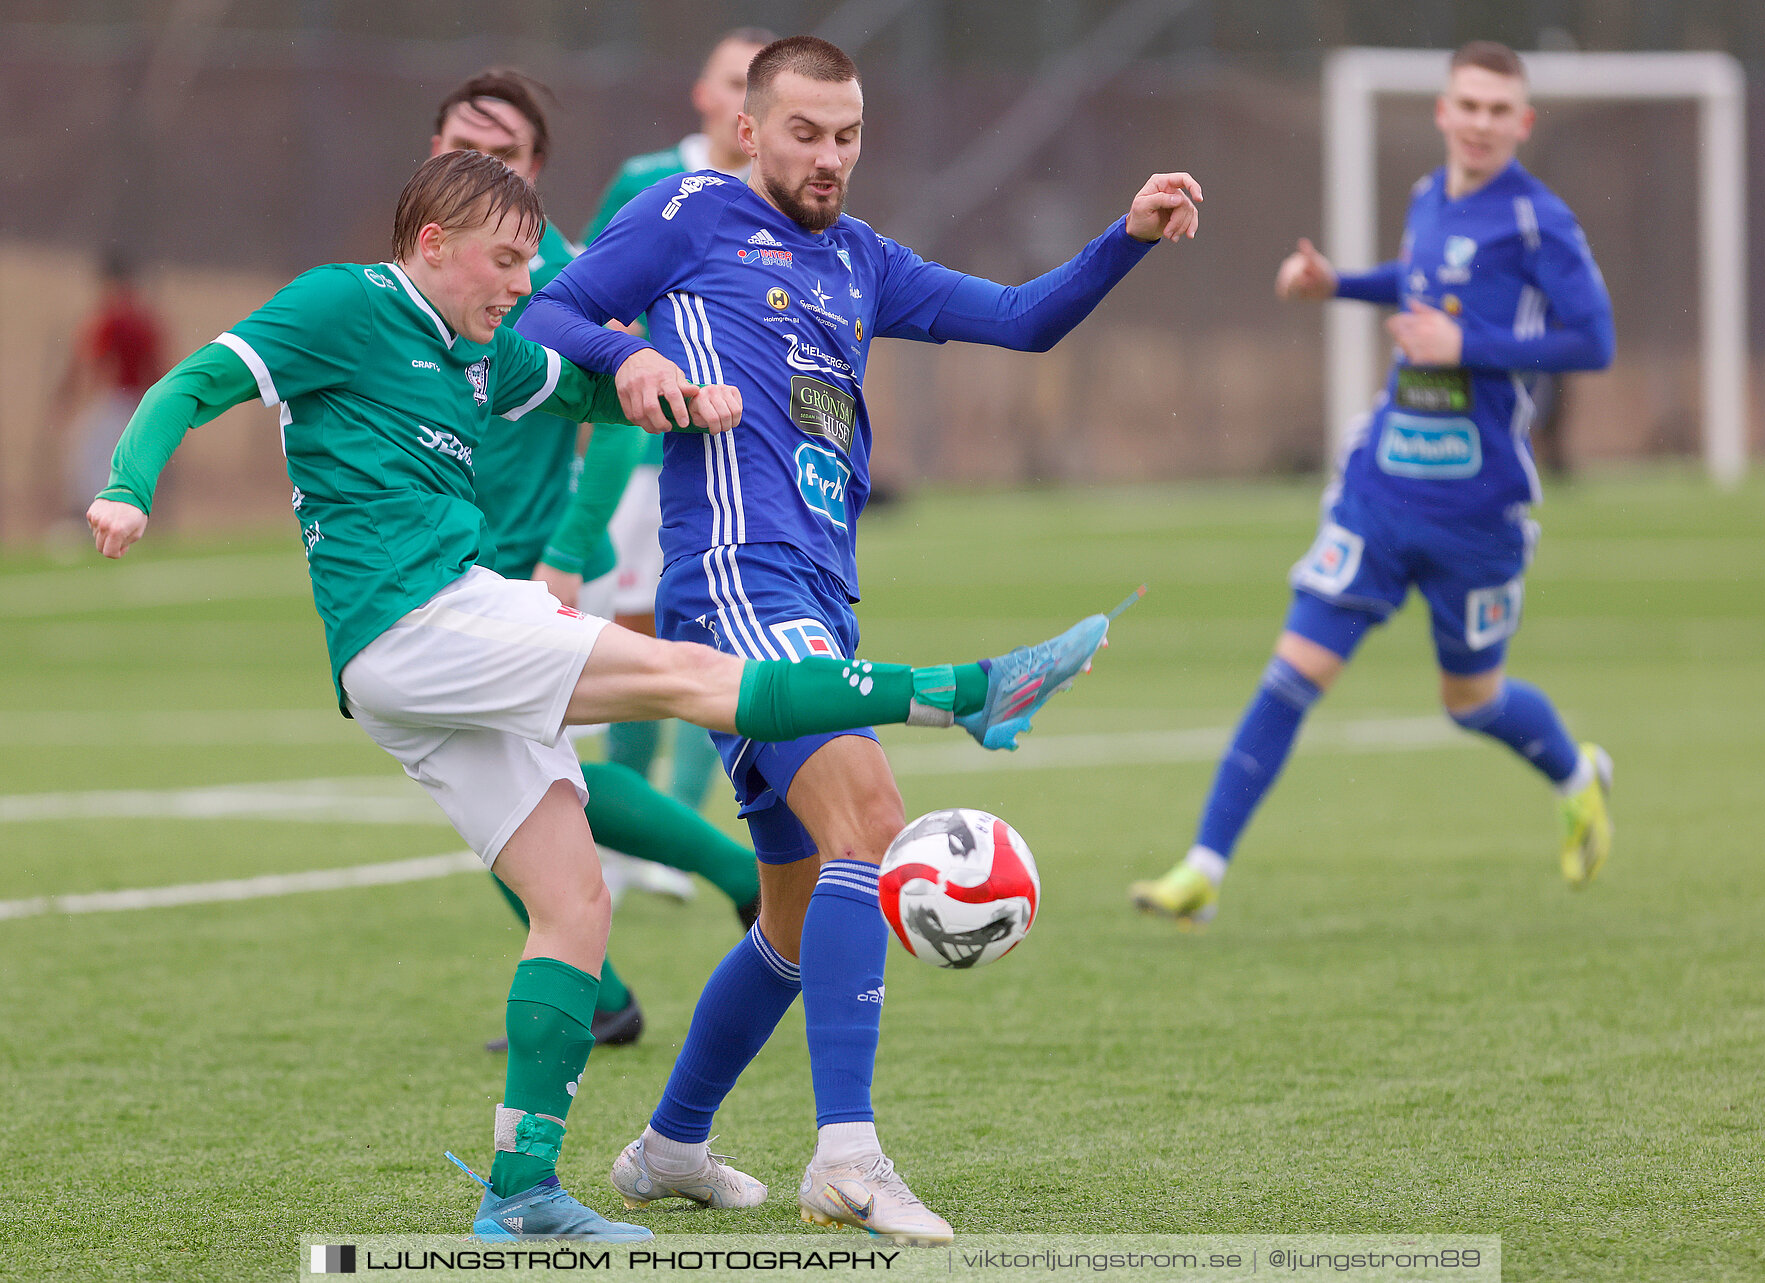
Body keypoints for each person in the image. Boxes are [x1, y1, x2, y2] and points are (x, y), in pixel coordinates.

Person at [85, 150, 1116, 1243]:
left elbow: (579, 383)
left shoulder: (481, 353)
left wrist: (652, 387)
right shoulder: (346, 301)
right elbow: (191, 382)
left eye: (532, 261)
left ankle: (522, 1189)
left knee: (575, 900)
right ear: (431, 243)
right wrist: (125, 485)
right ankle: (970, 690)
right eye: (505, 260)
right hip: (422, 615)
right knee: (691, 677)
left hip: (410, 663)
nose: (523, 283)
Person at [517, 34, 1200, 1243]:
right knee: (872, 827)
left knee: (791, 909)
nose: (828, 158)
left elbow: (1025, 319)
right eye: (804, 133)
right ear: (749, 128)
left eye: (847, 137)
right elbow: (551, 307)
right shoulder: (689, 212)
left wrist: (1128, 238)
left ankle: (671, 1143)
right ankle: (847, 1154)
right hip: (737, 579)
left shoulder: (864, 260)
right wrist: (632, 360)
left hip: (819, 597)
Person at [1130, 41, 1615, 930]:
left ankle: (1578, 777)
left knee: (1471, 701)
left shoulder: (1540, 223)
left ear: (1523, 123)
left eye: (1498, 110)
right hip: (1383, 492)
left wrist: (1470, 350)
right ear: (1442, 110)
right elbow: (1420, 283)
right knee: (1292, 673)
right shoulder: (1432, 197)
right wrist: (1338, 284)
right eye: (1466, 105)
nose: (1479, 123)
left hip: (1479, 509)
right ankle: (1201, 867)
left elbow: (1594, 342)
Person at [426, 68, 762, 1052]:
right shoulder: (420, 272)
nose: (473, 167)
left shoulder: (547, 269)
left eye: (500, 156)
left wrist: (571, 554)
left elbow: (619, 427)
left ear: (532, 172)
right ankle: (665, 941)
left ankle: (685, 923)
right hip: (441, 570)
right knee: (509, 780)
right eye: (457, 147)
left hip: (519, 569)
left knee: (500, 785)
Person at [581, 28, 774, 819]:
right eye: (734, 81)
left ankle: (692, 816)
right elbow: (592, 298)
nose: (743, 100)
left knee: (724, 637)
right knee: (635, 630)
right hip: (643, 451)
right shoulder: (651, 180)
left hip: (740, 452)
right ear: (704, 93)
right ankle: (639, 830)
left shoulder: (781, 195)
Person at [44, 252, 166, 520]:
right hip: (139, 402)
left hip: (115, 399)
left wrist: (70, 397)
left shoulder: (111, 317)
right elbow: (158, 367)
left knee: (88, 462)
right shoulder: (144, 318)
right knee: (118, 462)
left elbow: (94, 361)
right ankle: (111, 518)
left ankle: (93, 521)